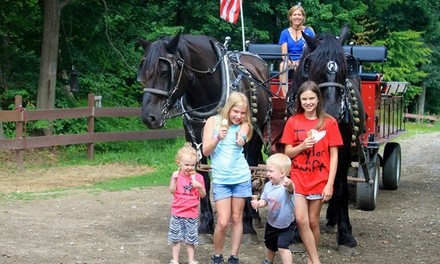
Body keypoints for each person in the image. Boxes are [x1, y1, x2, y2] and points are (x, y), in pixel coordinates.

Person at [280, 81, 342, 264]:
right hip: (299, 178)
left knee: (313, 221)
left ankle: (310, 258)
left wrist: (330, 183)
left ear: (318, 99)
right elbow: (287, 152)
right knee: (301, 219)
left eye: (311, 98)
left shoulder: (329, 122)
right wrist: (302, 146)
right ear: (300, 100)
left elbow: (334, 155)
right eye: (304, 99)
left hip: (319, 178)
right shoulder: (293, 121)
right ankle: (316, 260)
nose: (308, 102)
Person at [202, 91, 252, 264]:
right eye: (235, 111)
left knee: (237, 218)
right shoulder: (213, 122)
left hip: (240, 177)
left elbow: (246, 127)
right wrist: (217, 137)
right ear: (228, 108)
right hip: (222, 180)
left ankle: (234, 256)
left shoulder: (243, 126)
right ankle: (217, 255)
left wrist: (243, 135)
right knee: (223, 222)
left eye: (242, 112)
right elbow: (206, 151)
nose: (238, 116)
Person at [251, 153, 295, 264]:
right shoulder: (268, 185)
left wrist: (289, 184)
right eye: (267, 171)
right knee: (270, 246)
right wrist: (258, 204)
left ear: (283, 173)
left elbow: (291, 189)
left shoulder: (286, 185)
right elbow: (265, 200)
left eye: (271, 171)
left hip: (287, 224)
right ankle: (268, 261)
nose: (268, 174)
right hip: (272, 222)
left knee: (282, 246)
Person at [167, 142, 207, 264]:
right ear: (179, 163)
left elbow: (203, 195)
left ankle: (191, 260)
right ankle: (175, 259)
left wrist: (199, 186)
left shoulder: (199, 178)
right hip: (177, 213)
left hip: (191, 213)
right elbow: (172, 191)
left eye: (192, 165)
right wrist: (174, 180)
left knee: (191, 239)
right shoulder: (176, 176)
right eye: (186, 165)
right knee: (176, 238)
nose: (189, 167)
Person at [278, 3, 315, 96]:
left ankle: (301, 94)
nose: (297, 17)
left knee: (299, 67)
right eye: (294, 15)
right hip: (289, 61)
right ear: (290, 17)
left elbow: (313, 50)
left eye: (299, 15)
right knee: (283, 65)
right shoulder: (284, 33)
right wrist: (290, 62)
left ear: (303, 17)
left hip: (306, 60)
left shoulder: (309, 32)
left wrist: (300, 61)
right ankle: (286, 96)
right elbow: (284, 53)